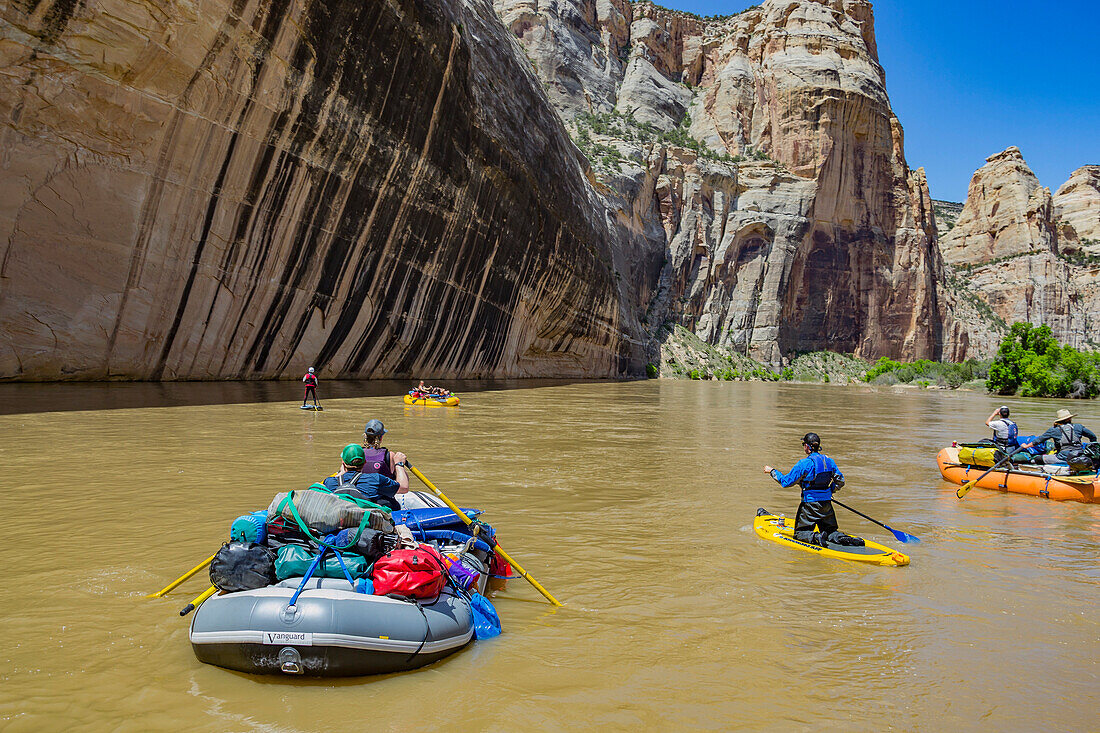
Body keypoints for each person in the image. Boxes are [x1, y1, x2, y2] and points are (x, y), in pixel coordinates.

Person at [763, 433, 863, 548]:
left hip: (810, 506)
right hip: (826, 505)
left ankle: (816, 537)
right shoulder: (829, 461)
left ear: (807, 446)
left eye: (803, 444)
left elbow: (786, 482)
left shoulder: (804, 464)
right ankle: (844, 539)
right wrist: (830, 491)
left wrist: (772, 471)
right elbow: (840, 481)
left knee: (800, 533)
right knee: (831, 531)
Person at [323, 443, 403, 510]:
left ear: (343, 463)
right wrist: (399, 464)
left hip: (340, 522)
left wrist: (341, 473)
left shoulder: (329, 482)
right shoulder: (375, 479)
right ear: (365, 462)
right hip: (364, 521)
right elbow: (402, 487)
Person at [1019, 409, 1096, 464]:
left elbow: (1039, 440)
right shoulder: (1079, 427)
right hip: (1079, 456)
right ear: (1069, 418)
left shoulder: (1054, 430)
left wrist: (1026, 446)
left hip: (1063, 458)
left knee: (1037, 458)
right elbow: (1093, 437)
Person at [361, 419, 410, 493]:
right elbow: (404, 482)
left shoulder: (357, 453)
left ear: (365, 437)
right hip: (382, 495)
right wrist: (399, 464)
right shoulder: (390, 455)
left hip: (361, 492)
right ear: (381, 438)